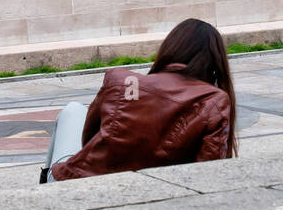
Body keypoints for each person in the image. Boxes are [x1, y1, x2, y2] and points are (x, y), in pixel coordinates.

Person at [42, 18, 238, 182]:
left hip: (84, 181)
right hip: (158, 191)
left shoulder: (122, 81)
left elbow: (88, 139)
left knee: (73, 110)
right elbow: (210, 170)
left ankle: (44, 185)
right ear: (215, 64)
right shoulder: (214, 100)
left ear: (169, 50)